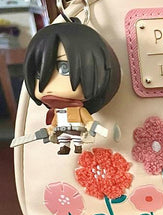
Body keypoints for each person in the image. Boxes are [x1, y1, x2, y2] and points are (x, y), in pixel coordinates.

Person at [23, 21, 120, 154]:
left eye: (65, 68)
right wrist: (49, 131)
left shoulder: (79, 110)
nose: (50, 85)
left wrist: (94, 127)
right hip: (63, 131)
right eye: (38, 73)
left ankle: (76, 146)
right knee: (64, 139)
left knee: (76, 139)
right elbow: (53, 124)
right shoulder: (57, 112)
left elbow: (88, 121)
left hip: (76, 130)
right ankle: (65, 146)